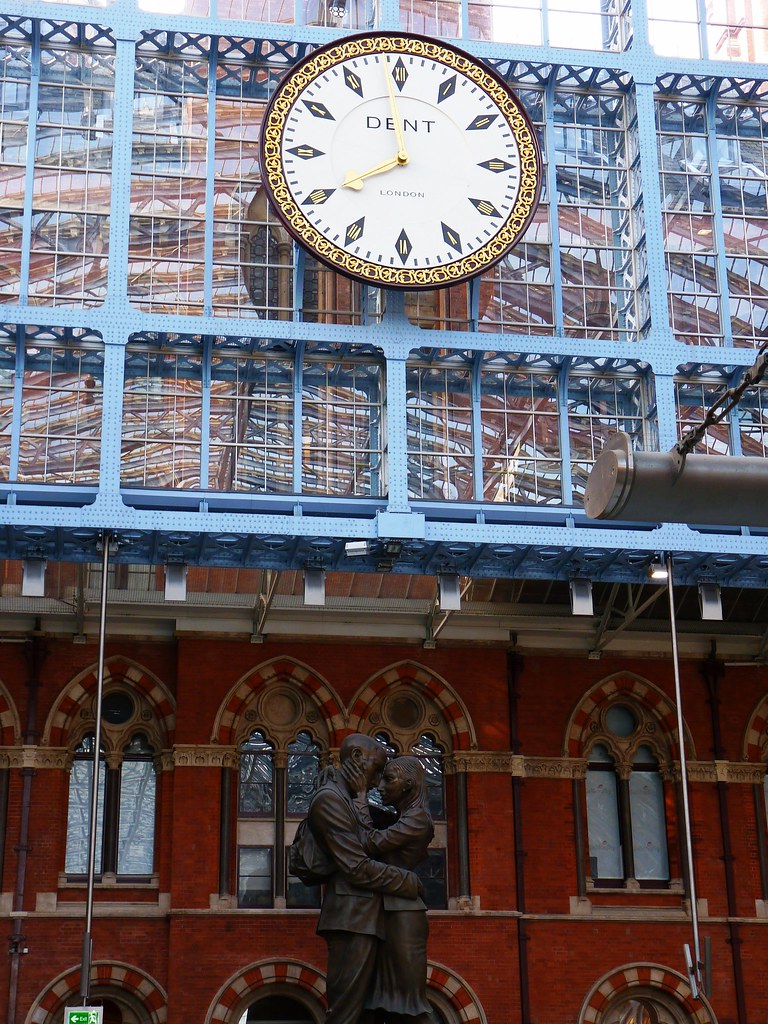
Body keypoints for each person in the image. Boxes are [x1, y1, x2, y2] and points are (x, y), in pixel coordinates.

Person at [308, 734, 423, 1024]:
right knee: (347, 1014)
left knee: (370, 1013)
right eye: (378, 768)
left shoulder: (345, 797)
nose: (376, 782)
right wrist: (407, 881)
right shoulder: (330, 800)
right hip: (352, 919)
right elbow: (356, 867)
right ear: (358, 757)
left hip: (371, 918)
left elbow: (379, 833)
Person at [346, 755, 435, 1024]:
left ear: (408, 785)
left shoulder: (418, 819)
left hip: (403, 915)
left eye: (389, 779)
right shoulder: (402, 817)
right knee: (378, 1002)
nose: (380, 786)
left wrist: (361, 797)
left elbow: (369, 843)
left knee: (408, 1003)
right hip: (386, 911)